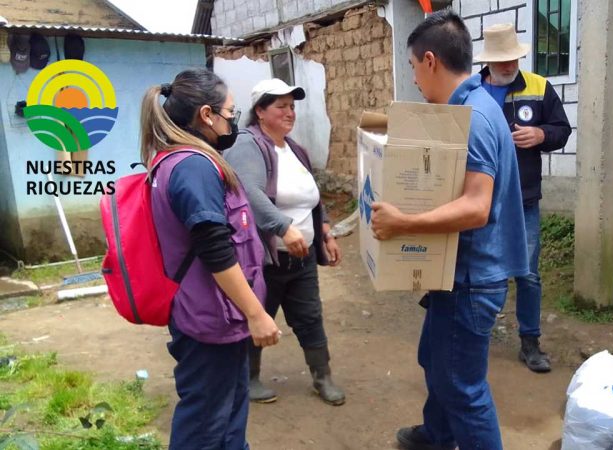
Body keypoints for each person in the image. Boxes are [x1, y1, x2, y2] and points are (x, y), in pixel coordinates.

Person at [371, 11, 529, 450]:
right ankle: (436, 436)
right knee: (436, 361)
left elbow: (477, 208)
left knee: (463, 386)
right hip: (459, 274)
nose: (416, 79)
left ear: (429, 61)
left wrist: (405, 223)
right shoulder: (467, 108)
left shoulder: (474, 118)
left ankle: (448, 436)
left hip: (472, 279)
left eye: (413, 68)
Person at [140, 69, 282, 449]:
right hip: (208, 320)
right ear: (206, 115)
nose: (233, 121)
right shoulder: (194, 167)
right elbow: (215, 250)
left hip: (217, 317)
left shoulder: (183, 161)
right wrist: (256, 313)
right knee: (206, 424)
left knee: (228, 414)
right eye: (230, 113)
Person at [224, 78, 346, 406]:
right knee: (259, 313)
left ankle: (322, 377)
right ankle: (248, 378)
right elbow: (248, 191)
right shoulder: (248, 144)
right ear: (260, 111)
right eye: (281, 106)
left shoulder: (294, 148)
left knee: (310, 315)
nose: (290, 113)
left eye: (292, 106)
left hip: (301, 257)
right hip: (267, 258)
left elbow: (311, 198)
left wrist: (325, 232)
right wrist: (282, 227)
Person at [476, 23, 573, 374]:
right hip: (481, 199)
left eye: (513, 58)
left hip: (524, 199)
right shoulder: (472, 92)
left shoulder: (538, 87)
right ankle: (477, 336)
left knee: (528, 274)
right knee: (483, 270)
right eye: (501, 60)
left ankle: (530, 343)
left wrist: (541, 133)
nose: (508, 65)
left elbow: (562, 130)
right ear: (488, 61)